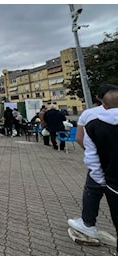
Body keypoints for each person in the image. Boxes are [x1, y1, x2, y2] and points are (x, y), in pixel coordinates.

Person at [68, 88, 118, 252]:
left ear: (100, 99)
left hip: (102, 167)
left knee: (92, 191)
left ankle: (88, 223)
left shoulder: (90, 118)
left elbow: (80, 139)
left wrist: (95, 160)